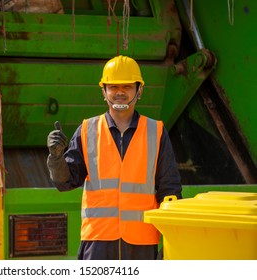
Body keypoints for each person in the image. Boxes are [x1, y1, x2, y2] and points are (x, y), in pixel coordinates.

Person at [46, 55, 182, 260]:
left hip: (142, 244)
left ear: (139, 90)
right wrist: (56, 158)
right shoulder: (87, 130)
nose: (119, 92)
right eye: (113, 87)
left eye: (127, 87)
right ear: (104, 91)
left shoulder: (156, 132)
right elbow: (65, 182)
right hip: (98, 242)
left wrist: (172, 243)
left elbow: (170, 191)